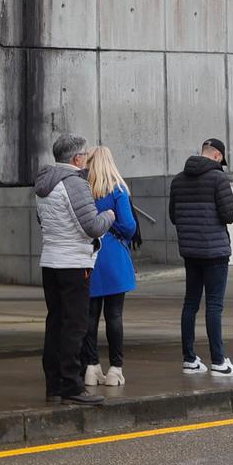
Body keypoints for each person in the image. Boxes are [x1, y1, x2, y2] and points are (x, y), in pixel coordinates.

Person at [34, 133, 113, 406]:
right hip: (74, 263)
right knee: (75, 324)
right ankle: (71, 385)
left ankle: (54, 383)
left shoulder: (44, 185)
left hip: (51, 260)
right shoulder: (75, 184)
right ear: (77, 158)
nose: (87, 161)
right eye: (86, 156)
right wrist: (109, 216)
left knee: (55, 322)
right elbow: (91, 226)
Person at [169, 137, 233, 377]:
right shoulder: (218, 178)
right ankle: (219, 361)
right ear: (218, 156)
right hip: (215, 251)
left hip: (190, 251)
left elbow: (173, 216)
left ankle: (189, 359)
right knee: (214, 306)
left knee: (190, 303)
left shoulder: (178, 180)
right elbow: (229, 214)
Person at [82, 146, 137, 388]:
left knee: (89, 316)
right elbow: (129, 227)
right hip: (113, 257)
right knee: (114, 316)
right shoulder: (118, 189)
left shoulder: (83, 190)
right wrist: (113, 223)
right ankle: (115, 369)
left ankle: (91, 368)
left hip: (89, 257)